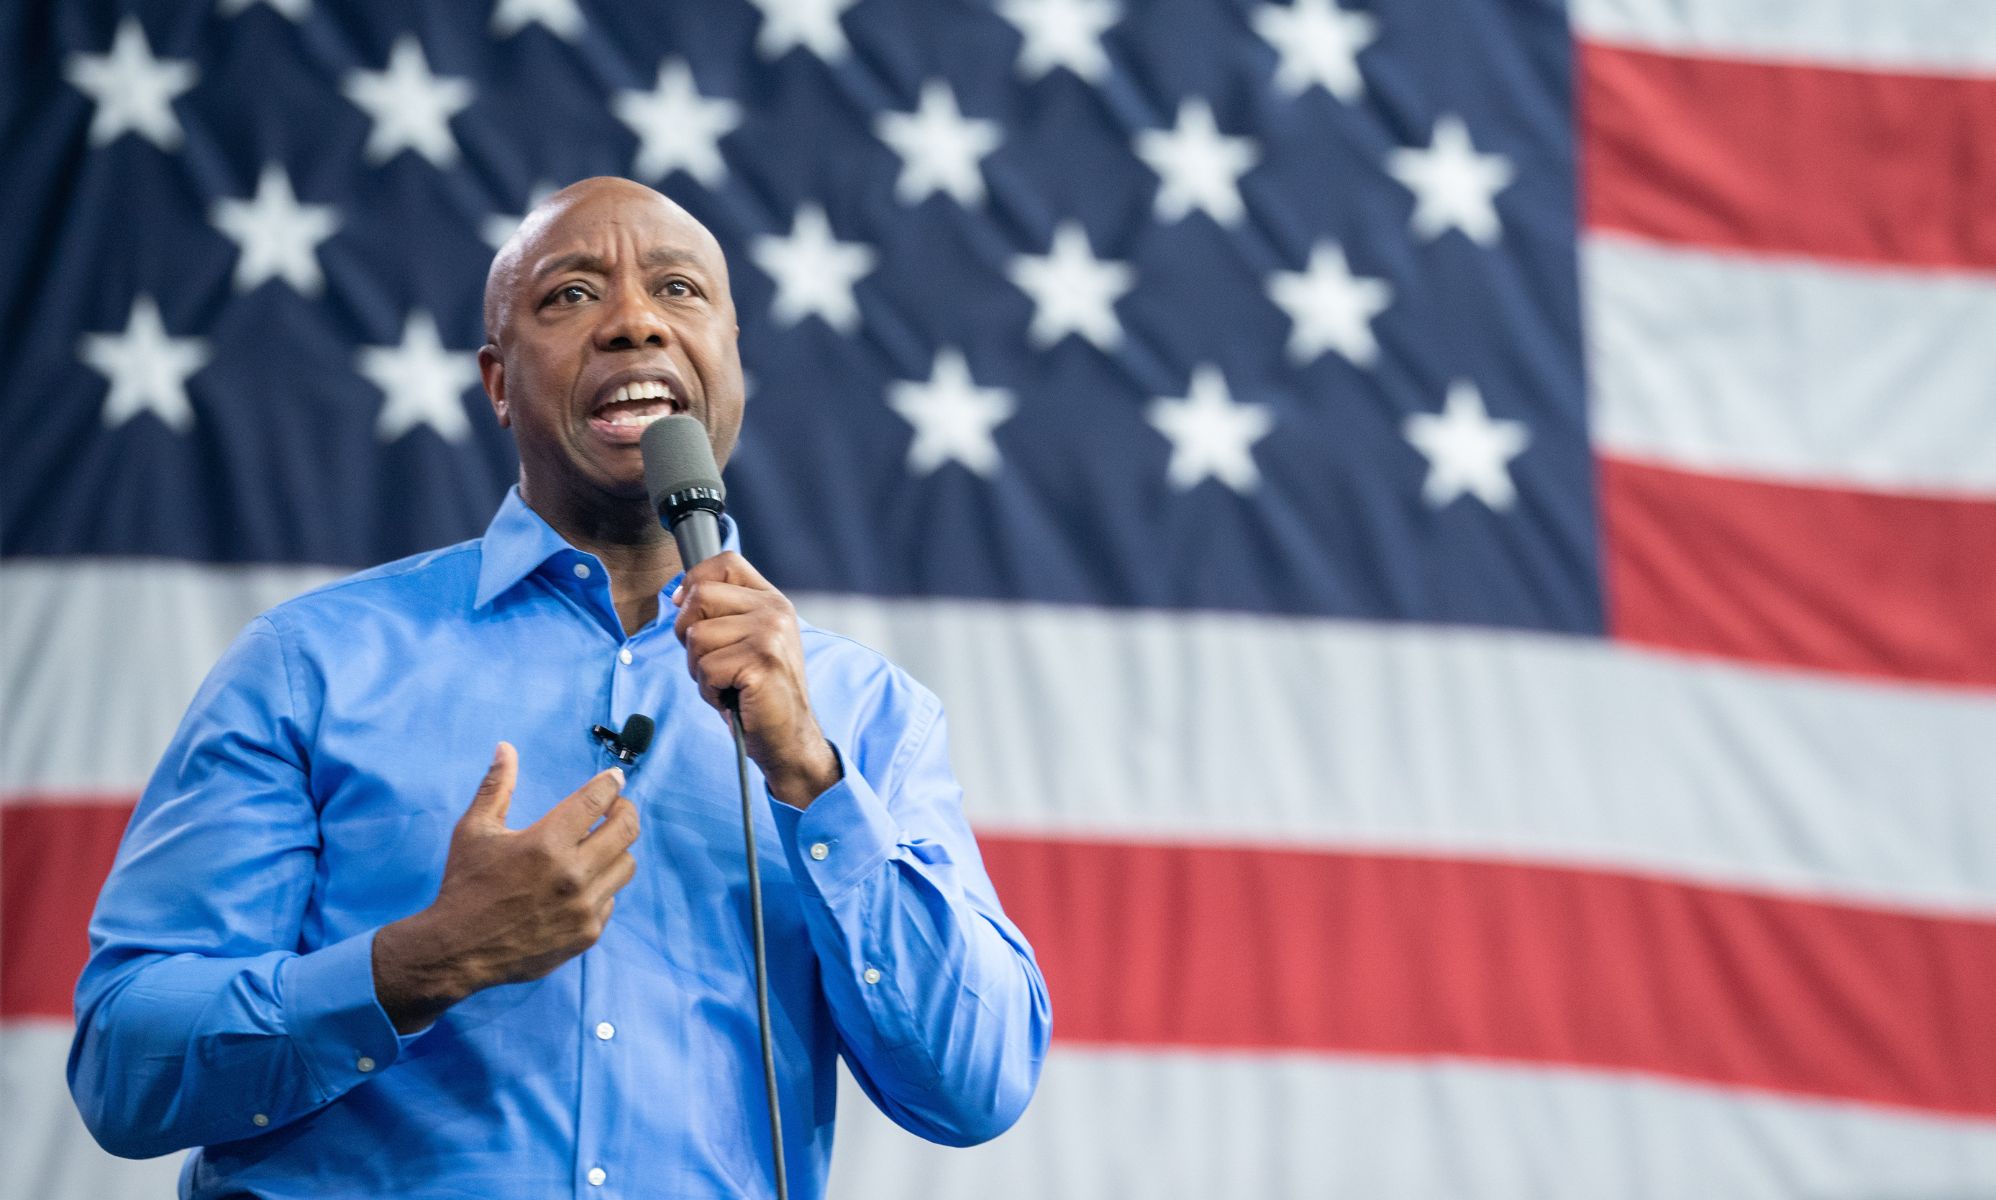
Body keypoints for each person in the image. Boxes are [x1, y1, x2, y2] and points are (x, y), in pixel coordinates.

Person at [69, 177, 1052, 1198]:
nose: (634, 322)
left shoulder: (860, 713)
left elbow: (973, 1088)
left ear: (730, 359)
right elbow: (123, 1064)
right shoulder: (312, 664)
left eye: (678, 290)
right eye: (571, 296)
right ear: (498, 383)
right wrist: (420, 964)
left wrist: (811, 776)